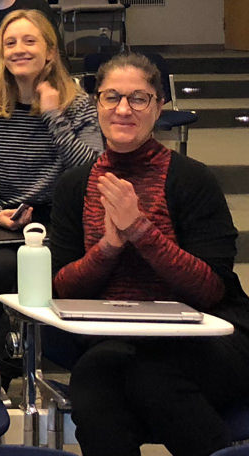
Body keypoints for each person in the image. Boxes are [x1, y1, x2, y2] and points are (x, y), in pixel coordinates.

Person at [50, 52, 249, 456]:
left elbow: (210, 290)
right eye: (112, 97)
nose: (123, 109)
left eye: (139, 99)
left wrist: (140, 229)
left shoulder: (192, 179)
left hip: (208, 335)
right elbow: (62, 288)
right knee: (93, 379)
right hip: (117, 335)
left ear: (159, 106)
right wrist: (109, 247)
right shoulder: (75, 186)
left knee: (151, 377)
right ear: (96, 105)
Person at [0, 10, 101, 295]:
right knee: (1, 269)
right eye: (10, 43)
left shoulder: (78, 105)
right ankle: (7, 339)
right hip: (6, 217)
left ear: (50, 52)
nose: (19, 50)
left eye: (29, 41)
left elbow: (91, 170)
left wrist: (53, 114)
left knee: (59, 271)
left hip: (62, 219)